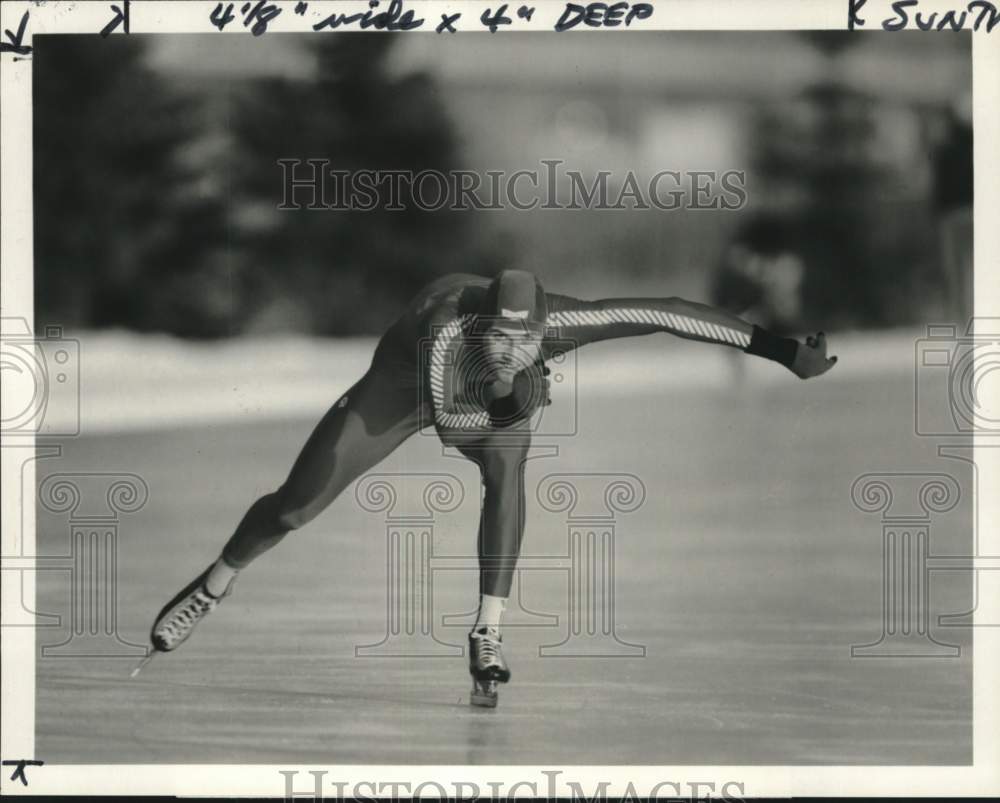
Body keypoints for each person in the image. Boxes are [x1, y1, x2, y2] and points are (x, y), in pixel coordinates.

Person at [135, 269, 837, 705]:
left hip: (490, 399)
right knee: (296, 503)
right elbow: (452, 418)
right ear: (481, 325)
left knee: (508, 468)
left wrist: (779, 350)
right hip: (407, 384)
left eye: (522, 341)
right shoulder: (449, 329)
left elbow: (669, 311)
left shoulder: (562, 324)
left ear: (543, 330)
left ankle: (487, 631)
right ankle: (214, 582)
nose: (506, 345)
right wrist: (514, 389)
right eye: (496, 338)